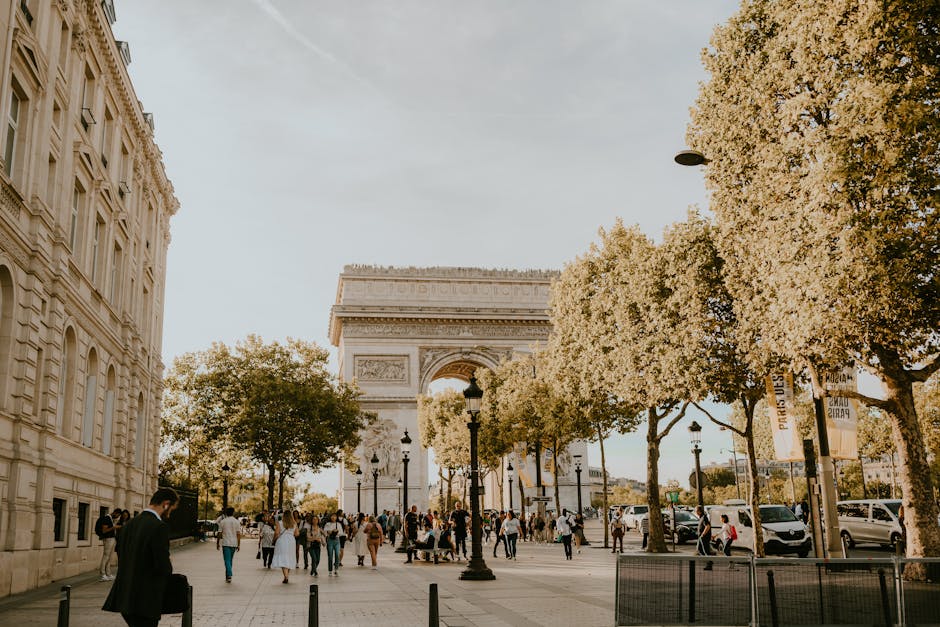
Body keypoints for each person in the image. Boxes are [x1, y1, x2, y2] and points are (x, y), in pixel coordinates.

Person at [102, 487, 179, 627]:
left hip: (125, 598)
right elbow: (163, 566)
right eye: (171, 510)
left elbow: (122, 555)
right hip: (146, 599)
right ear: (166, 504)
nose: (169, 515)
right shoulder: (158, 527)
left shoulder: (129, 525)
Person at [271, 510, 299, 584]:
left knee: (283, 557)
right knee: (289, 557)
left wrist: (274, 540)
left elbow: (276, 533)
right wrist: (291, 533)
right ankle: (286, 576)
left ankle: (286, 576)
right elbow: (297, 534)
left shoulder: (280, 523)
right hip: (291, 541)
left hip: (282, 540)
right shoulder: (294, 523)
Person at [95, 507, 122, 581]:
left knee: (109, 557)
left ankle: (108, 573)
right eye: (118, 515)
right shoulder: (107, 518)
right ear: (115, 513)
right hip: (108, 539)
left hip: (111, 539)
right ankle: (102, 574)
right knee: (106, 556)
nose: (117, 517)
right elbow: (104, 530)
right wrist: (114, 527)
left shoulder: (110, 519)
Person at [216, 507, 241, 583]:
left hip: (226, 543)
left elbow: (219, 533)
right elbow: (238, 534)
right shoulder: (237, 522)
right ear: (233, 513)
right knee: (230, 560)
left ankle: (229, 574)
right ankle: (227, 576)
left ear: (226, 513)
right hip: (234, 543)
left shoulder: (223, 521)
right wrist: (238, 544)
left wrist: (217, 543)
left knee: (227, 560)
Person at [696, 505, 713, 570]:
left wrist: (703, 534)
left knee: (706, 550)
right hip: (701, 537)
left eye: (696, 510)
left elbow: (708, 526)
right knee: (699, 549)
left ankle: (709, 563)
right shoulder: (701, 517)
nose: (695, 512)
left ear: (699, 511)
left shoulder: (704, 517)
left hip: (704, 537)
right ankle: (709, 561)